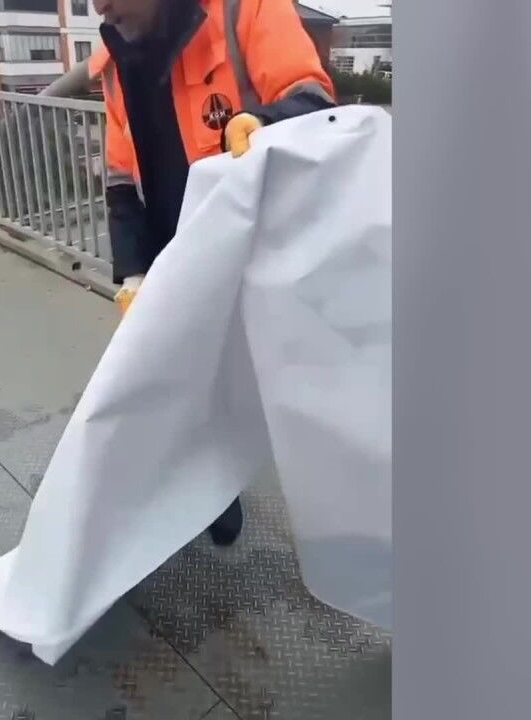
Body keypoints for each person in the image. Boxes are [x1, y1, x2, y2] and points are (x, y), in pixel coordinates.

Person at [87, 0, 336, 546]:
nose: (98, 4)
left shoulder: (244, 9)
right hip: (173, 255)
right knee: (179, 381)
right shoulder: (114, 57)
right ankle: (207, 489)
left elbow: (314, 100)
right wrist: (132, 275)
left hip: (251, 252)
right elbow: (121, 178)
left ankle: (327, 514)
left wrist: (266, 122)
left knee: (268, 387)